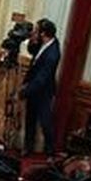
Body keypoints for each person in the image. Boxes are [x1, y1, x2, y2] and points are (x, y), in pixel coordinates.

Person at [20, 18, 60, 155]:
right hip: (34, 87)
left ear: (43, 33)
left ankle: (50, 151)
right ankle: (28, 147)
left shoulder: (52, 54)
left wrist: (25, 91)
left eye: (37, 31)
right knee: (30, 118)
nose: (34, 32)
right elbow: (33, 51)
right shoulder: (44, 43)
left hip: (43, 91)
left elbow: (41, 78)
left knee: (45, 121)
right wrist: (32, 40)